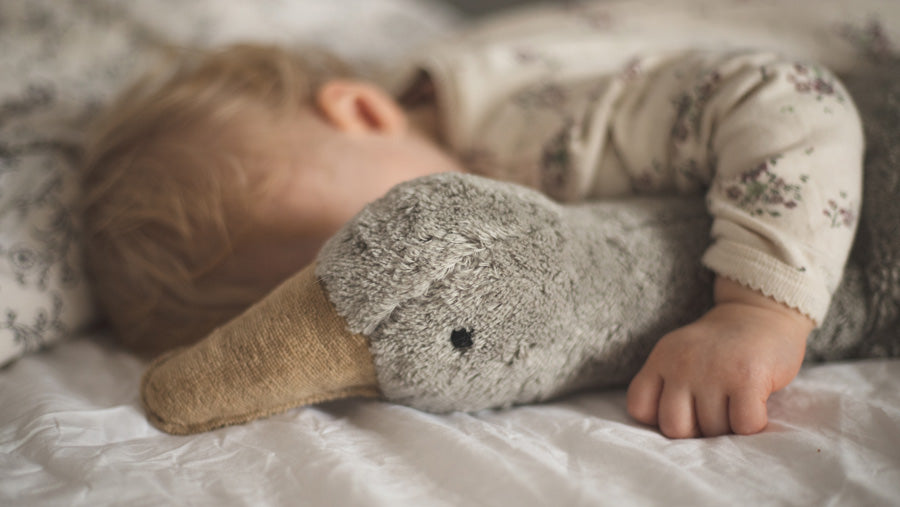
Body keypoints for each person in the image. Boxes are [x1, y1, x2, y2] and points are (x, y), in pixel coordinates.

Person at [81, 18, 863, 439]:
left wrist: (755, 308)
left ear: (360, 110)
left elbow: (790, 96)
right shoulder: (425, 143)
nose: (373, 287)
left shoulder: (546, 127)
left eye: (362, 236)